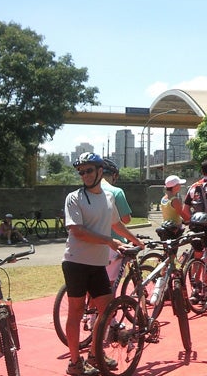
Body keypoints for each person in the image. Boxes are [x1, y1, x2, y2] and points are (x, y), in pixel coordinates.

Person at [62, 152, 144, 376]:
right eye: (81, 172)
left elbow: (116, 224)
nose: (85, 175)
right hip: (76, 263)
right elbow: (77, 231)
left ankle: (95, 355)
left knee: (107, 311)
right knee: (76, 313)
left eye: (89, 170)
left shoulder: (108, 197)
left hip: (97, 264)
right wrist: (109, 241)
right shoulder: (74, 198)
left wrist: (137, 241)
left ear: (100, 171)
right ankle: (74, 363)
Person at [101, 158, 137, 283]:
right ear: (114, 175)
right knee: (110, 286)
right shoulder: (116, 192)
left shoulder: (87, 191)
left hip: (92, 242)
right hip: (113, 245)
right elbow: (126, 220)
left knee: (94, 285)